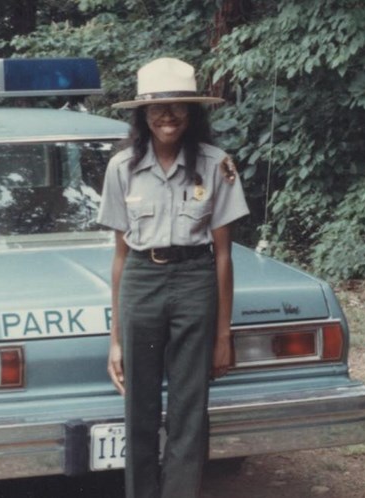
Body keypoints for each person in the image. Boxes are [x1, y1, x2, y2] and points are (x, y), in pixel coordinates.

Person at [97, 57, 249, 498]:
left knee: (189, 407)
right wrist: (116, 338)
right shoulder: (121, 168)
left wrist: (223, 335)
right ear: (143, 115)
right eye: (157, 108)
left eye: (179, 106)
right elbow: (120, 258)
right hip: (142, 281)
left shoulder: (217, 164)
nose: (168, 115)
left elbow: (223, 256)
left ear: (193, 112)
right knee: (139, 405)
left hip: (195, 280)